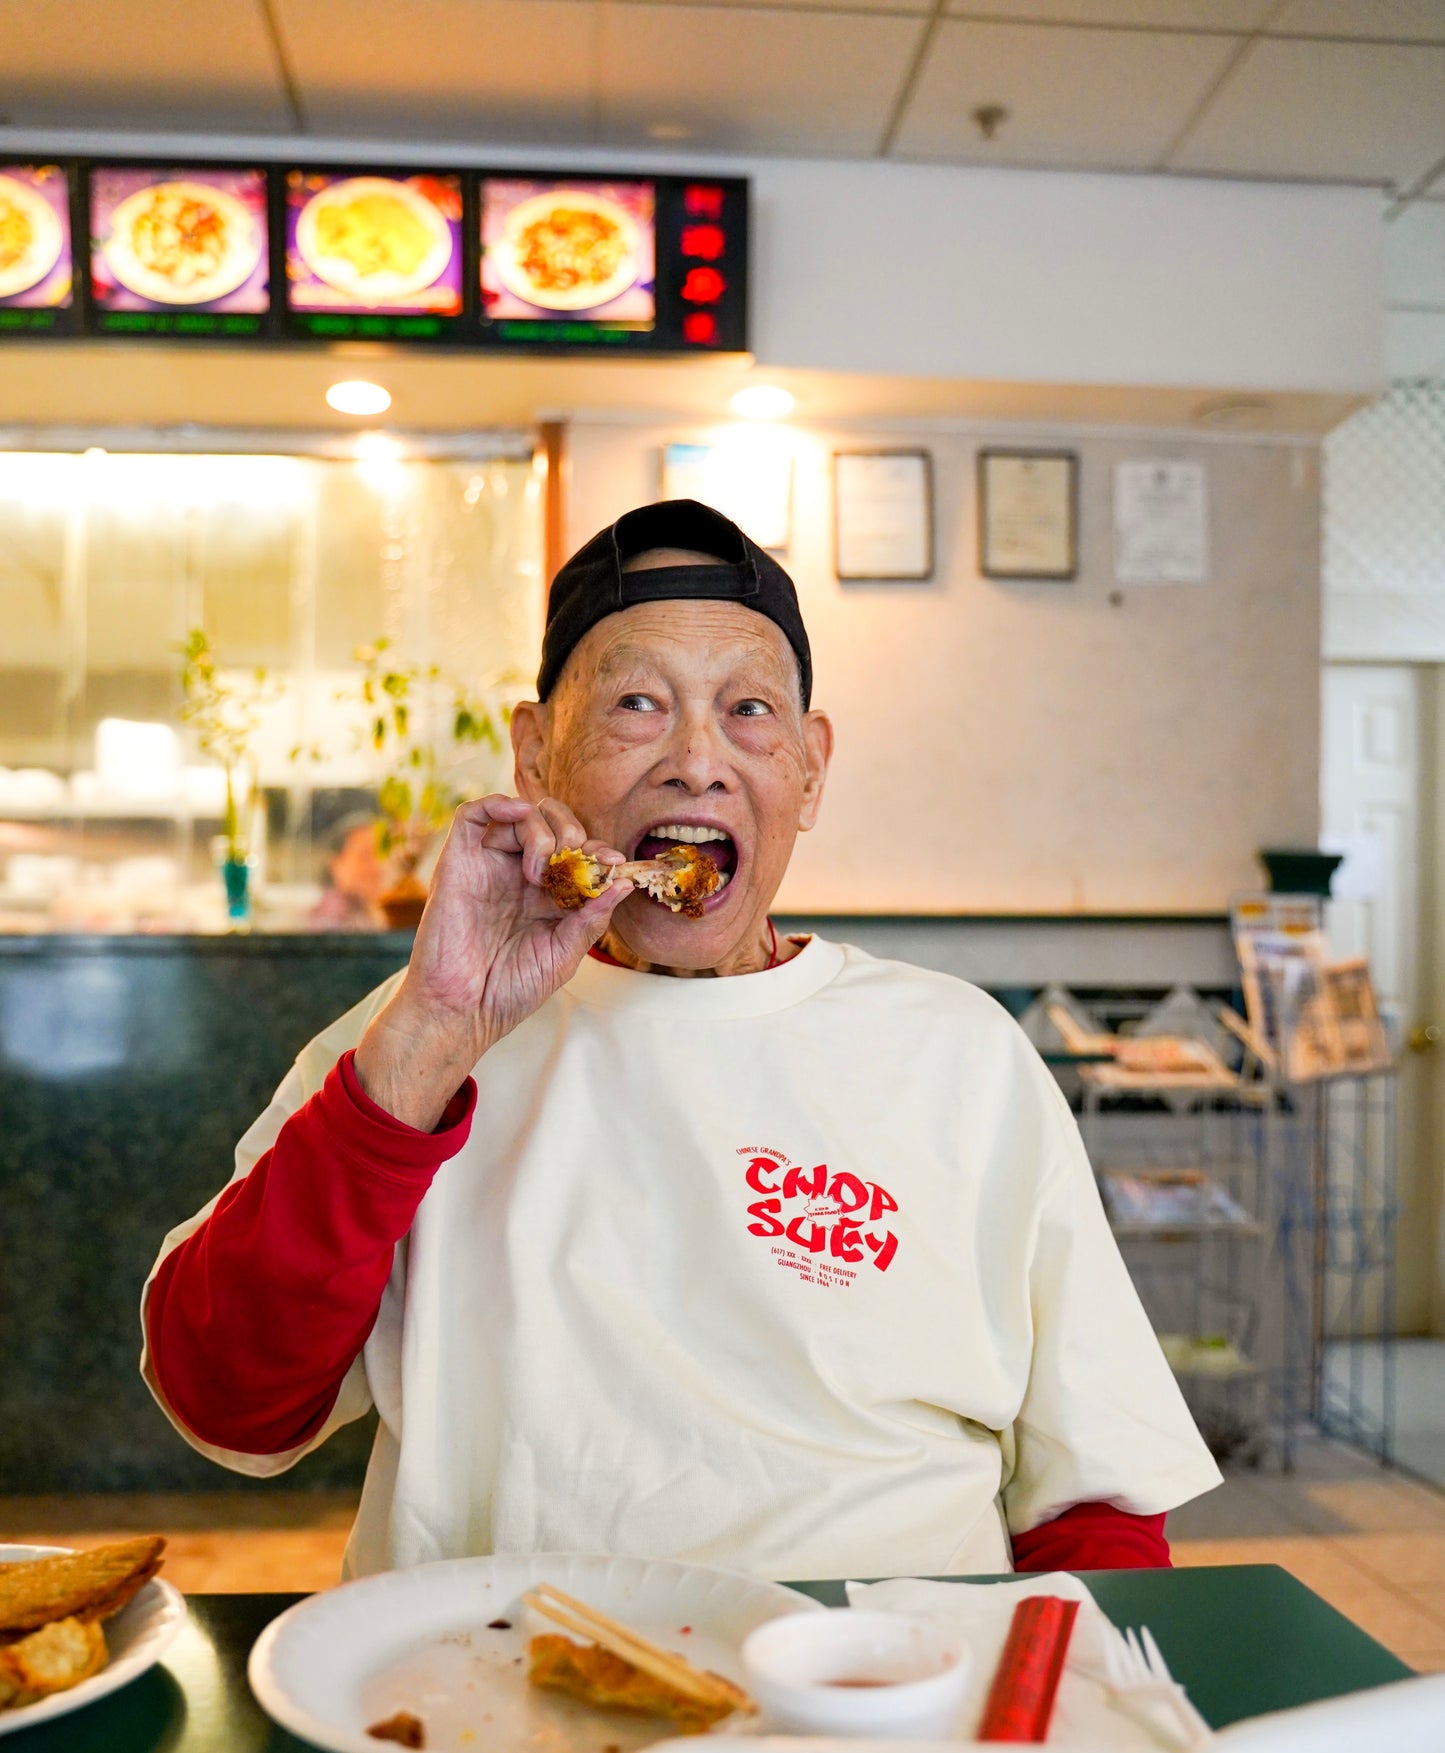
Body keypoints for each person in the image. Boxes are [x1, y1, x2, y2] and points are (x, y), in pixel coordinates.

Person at [141, 501, 1220, 1580]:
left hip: (888, 1690)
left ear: (809, 766)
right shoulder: (407, 1045)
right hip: (493, 1674)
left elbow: (1096, 1501)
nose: (697, 761)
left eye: (748, 709)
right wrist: (433, 1032)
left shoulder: (961, 1055)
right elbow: (231, 1403)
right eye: (635, 703)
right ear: (534, 754)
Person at [308, 812, 387, 931]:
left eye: (381, 856)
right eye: (364, 856)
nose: (377, 866)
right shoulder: (328, 923)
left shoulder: (374, 916)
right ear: (335, 865)